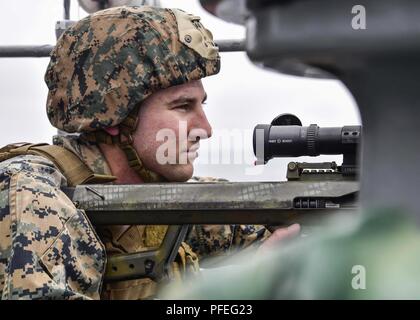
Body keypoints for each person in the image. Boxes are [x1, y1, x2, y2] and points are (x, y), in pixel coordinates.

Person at [0, 6, 295, 300]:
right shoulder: (33, 195)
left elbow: (262, 230)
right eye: (182, 106)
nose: (205, 129)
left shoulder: (150, 191)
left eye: (201, 105)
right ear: (115, 116)